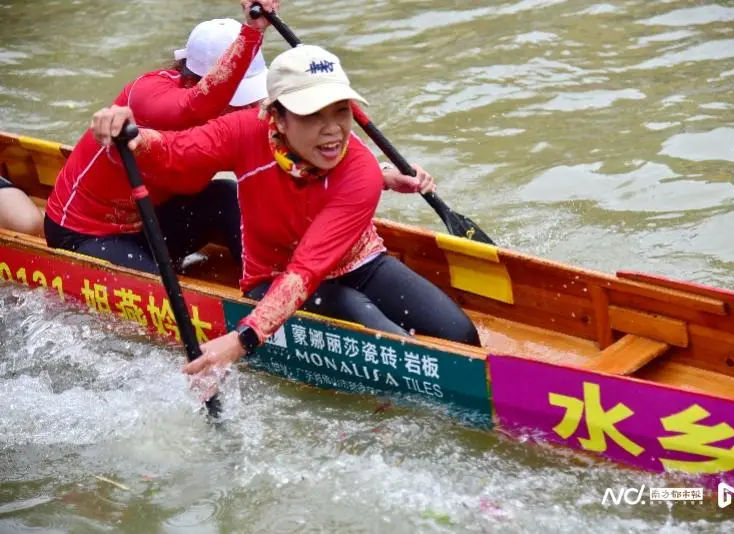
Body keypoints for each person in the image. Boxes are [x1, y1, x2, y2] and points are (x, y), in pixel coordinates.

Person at [91, 43, 482, 381]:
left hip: (356, 262)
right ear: (276, 117)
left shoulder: (361, 171)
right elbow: (175, 152)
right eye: (313, 115)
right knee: (372, 324)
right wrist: (135, 136)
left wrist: (240, 339)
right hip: (273, 275)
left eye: (341, 111)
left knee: (460, 333)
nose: (333, 131)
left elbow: (311, 265)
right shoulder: (244, 131)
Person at [44, 0, 434, 275]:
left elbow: (297, 147)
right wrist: (252, 32)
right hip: (87, 233)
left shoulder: (240, 113)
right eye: (237, 92)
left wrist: (380, 174)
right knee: (162, 293)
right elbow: (196, 106)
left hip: (157, 221)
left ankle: (269, 293)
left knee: (229, 199)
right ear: (195, 77)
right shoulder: (150, 97)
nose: (247, 106)